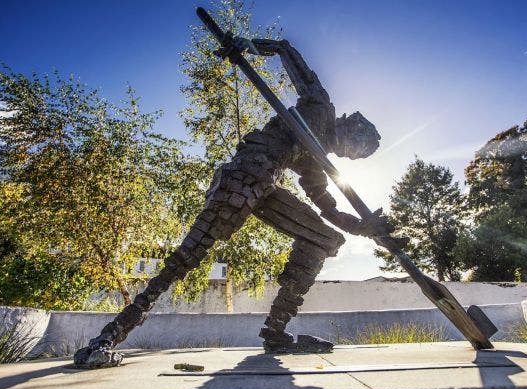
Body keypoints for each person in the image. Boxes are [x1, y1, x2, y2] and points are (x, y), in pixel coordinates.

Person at [74, 38, 400, 368]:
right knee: (189, 255)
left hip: (267, 186)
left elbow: (328, 209)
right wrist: (248, 45)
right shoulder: (319, 108)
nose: (350, 153)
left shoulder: (314, 162)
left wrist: (365, 228)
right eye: (357, 145)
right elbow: (288, 53)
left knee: (325, 238)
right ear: (349, 125)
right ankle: (107, 338)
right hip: (244, 177)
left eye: (357, 154)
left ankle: (275, 330)